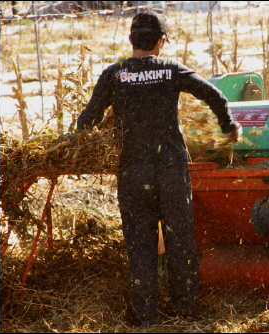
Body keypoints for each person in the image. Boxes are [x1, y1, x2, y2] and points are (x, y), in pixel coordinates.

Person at [77, 11, 241, 326]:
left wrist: (76, 148)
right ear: (161, 42)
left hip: (132, 172)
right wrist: (228, 126)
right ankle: (186, 311)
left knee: (139, 242)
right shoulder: (170, 70)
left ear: (130, 40)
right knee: (180, 239)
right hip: (170, 169)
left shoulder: (114, 74)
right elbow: (214, 95)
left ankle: (145, 316)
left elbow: (87, 120)